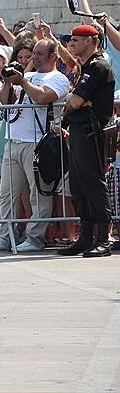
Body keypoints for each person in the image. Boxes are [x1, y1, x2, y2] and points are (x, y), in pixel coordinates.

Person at [0, 38, 69, 253]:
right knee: (7, 193)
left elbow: (43, 98)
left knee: (39, 193)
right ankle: (6, 236)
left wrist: (22, 81)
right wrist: (7, 81)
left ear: (53, 56)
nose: (34, 57)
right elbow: (4, 103)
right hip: (13, 140)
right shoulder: (28, 76)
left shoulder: (58, 78)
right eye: (35, 53)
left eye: (39, 53)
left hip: (38, 143)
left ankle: (34, 238)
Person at [58, 24, 115, 257]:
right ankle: (86, 237)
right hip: (80, 130)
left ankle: (103, 238)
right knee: (79, 186)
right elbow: (75, 101)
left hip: (91, 131)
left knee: (93, 184)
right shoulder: (87, 66)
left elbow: (74, 101)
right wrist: (77, 101)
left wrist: (78, 100)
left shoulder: (98, 66)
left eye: (76, 40)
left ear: (91, 40)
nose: (72, 44)